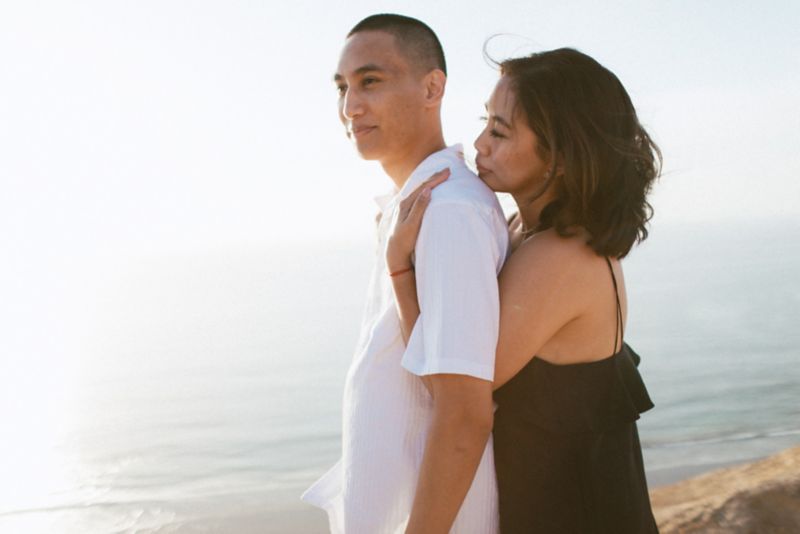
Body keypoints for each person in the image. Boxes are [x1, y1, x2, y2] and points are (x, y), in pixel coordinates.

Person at [387, 48, 661, 533]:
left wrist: (400, 272)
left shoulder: (560, 257)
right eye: (485, 123)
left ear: (560, 155)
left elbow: (454, 391)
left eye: (500, 131)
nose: (479, 143)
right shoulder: (523, 229)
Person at [301, 14, 508, 534]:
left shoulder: (449, 211)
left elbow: (464, 413)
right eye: (342, 88)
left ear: (432, 88)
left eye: (370, 81)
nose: (350, 107)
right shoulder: (413, 207)